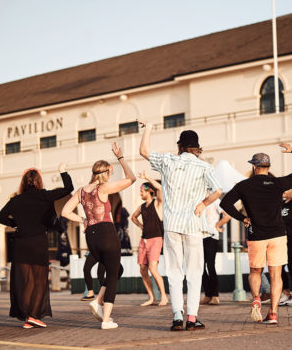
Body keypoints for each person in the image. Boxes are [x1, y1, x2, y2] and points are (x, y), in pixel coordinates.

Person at [140, 123, 221, 331]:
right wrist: (203, 204)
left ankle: (177, 316)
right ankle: (192, 318)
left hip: (172, 226)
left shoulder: (168, 161)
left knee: (174, 272)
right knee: (194, 273)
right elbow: (218, 190)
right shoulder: (204, 167)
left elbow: (144, 151)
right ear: (197, 148)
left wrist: (148, 128)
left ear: (180, 147)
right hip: (193, 225)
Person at [221, 143, 292, 325]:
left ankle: (256, 298)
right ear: (268, 167)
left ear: (254, 167)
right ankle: (274, 313)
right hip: (277, 234)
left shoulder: (244, 185)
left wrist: (243, 218)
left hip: (256, 235)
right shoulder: (278, 183)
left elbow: (225, 203)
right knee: (276, 274)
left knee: (255, 271)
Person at [62, 143, 135, 329]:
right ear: (106, 173)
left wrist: (83, 220)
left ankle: (97, 301)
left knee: (117, 271)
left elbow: (64, 212)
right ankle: (106, 320)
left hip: (91, 236)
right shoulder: (103, 188)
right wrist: (120, 157)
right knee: (112, 276)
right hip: (106, 232)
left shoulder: (81, 191)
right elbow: (131, 178)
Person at [0, 163, 74, 328]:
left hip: (21, 243)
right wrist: (62, 171)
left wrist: (16, 224)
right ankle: (33, 315)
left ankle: (27, 318)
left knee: (28, 282)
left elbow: (0, 217)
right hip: (38, 242)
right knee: (39, 281)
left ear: (23, 183)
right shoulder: (44, 195)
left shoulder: (15, 200)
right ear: (39, 181)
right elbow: (69, 188)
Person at [131, 172, 169, 307]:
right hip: (144, 240)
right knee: (143, 269)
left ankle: (164, 297)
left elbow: (159, 188)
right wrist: (141, 226)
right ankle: (152, 298)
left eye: (142, 191)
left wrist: (147, 178)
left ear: (149, 192)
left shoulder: (157, 204)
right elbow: (133, 217)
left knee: (153, 268)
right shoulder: (141, 207)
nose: (140, 193)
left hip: (156, 239)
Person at [200, 198, 229, 306]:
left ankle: (215, 296)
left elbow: (227, 215)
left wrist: (217, 225)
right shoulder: (198, 201)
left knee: (210, 266)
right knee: (200, 267)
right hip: (199, 236)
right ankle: (208, 295)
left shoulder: (216, 201)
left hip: (211, 236)